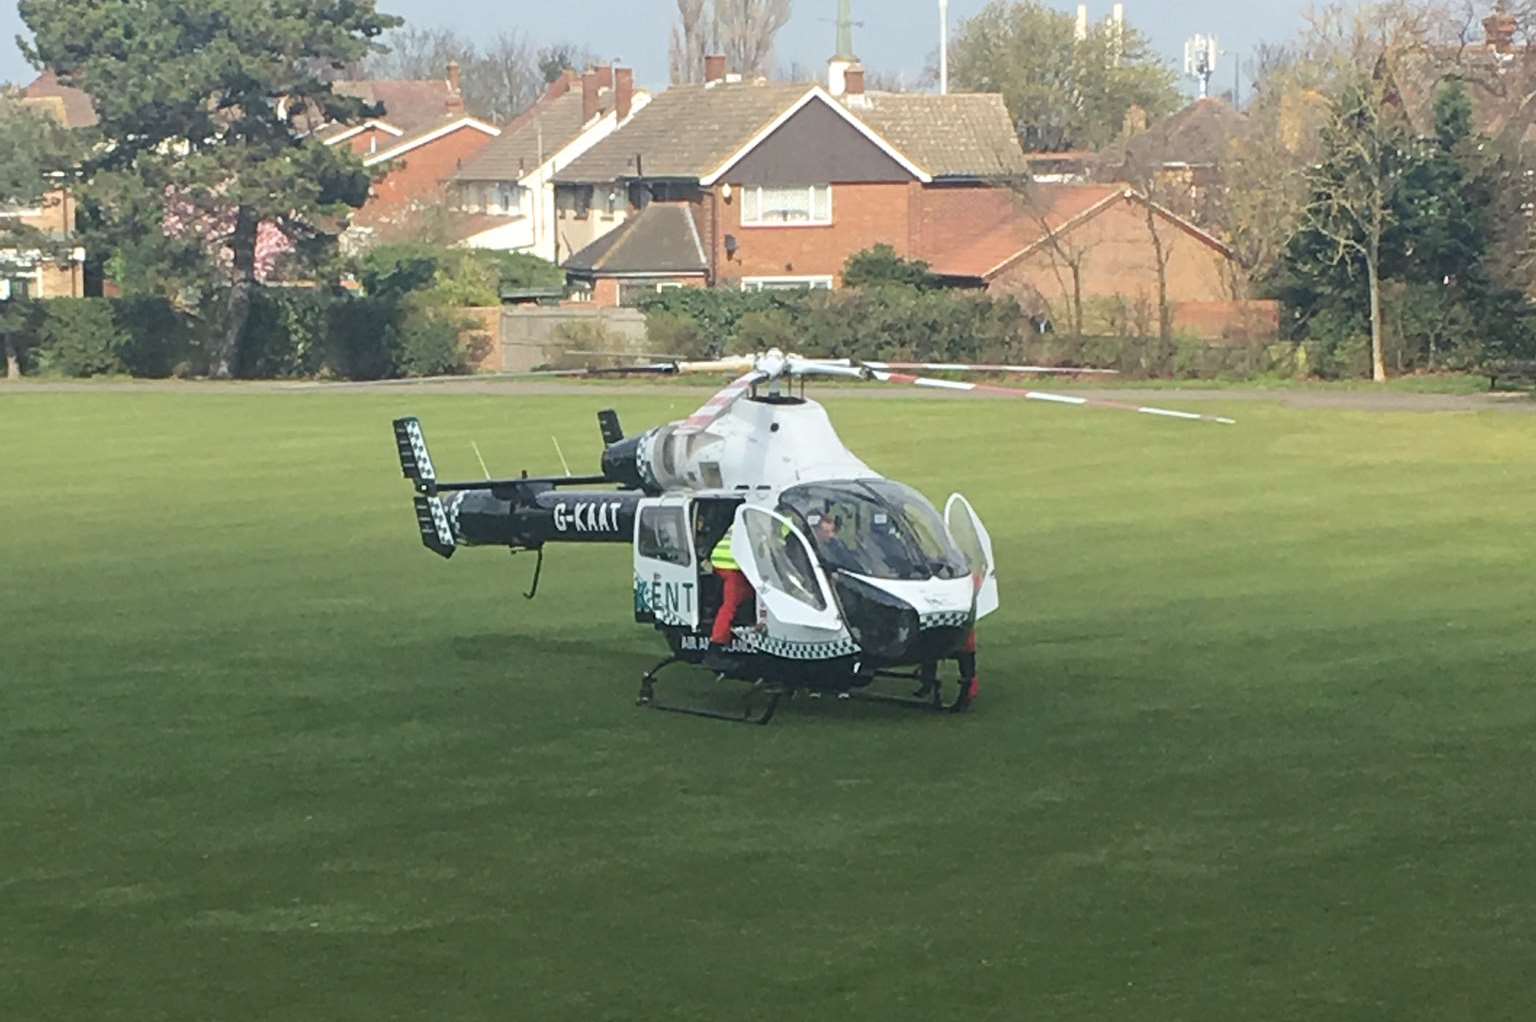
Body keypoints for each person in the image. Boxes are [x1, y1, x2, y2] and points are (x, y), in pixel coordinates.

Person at [707, 527, 754, 653]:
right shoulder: (758, 520)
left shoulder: (744, 518)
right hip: (731, 564)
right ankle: (717, 644)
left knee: (747, 593)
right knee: (730, 604)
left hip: (721, 560)